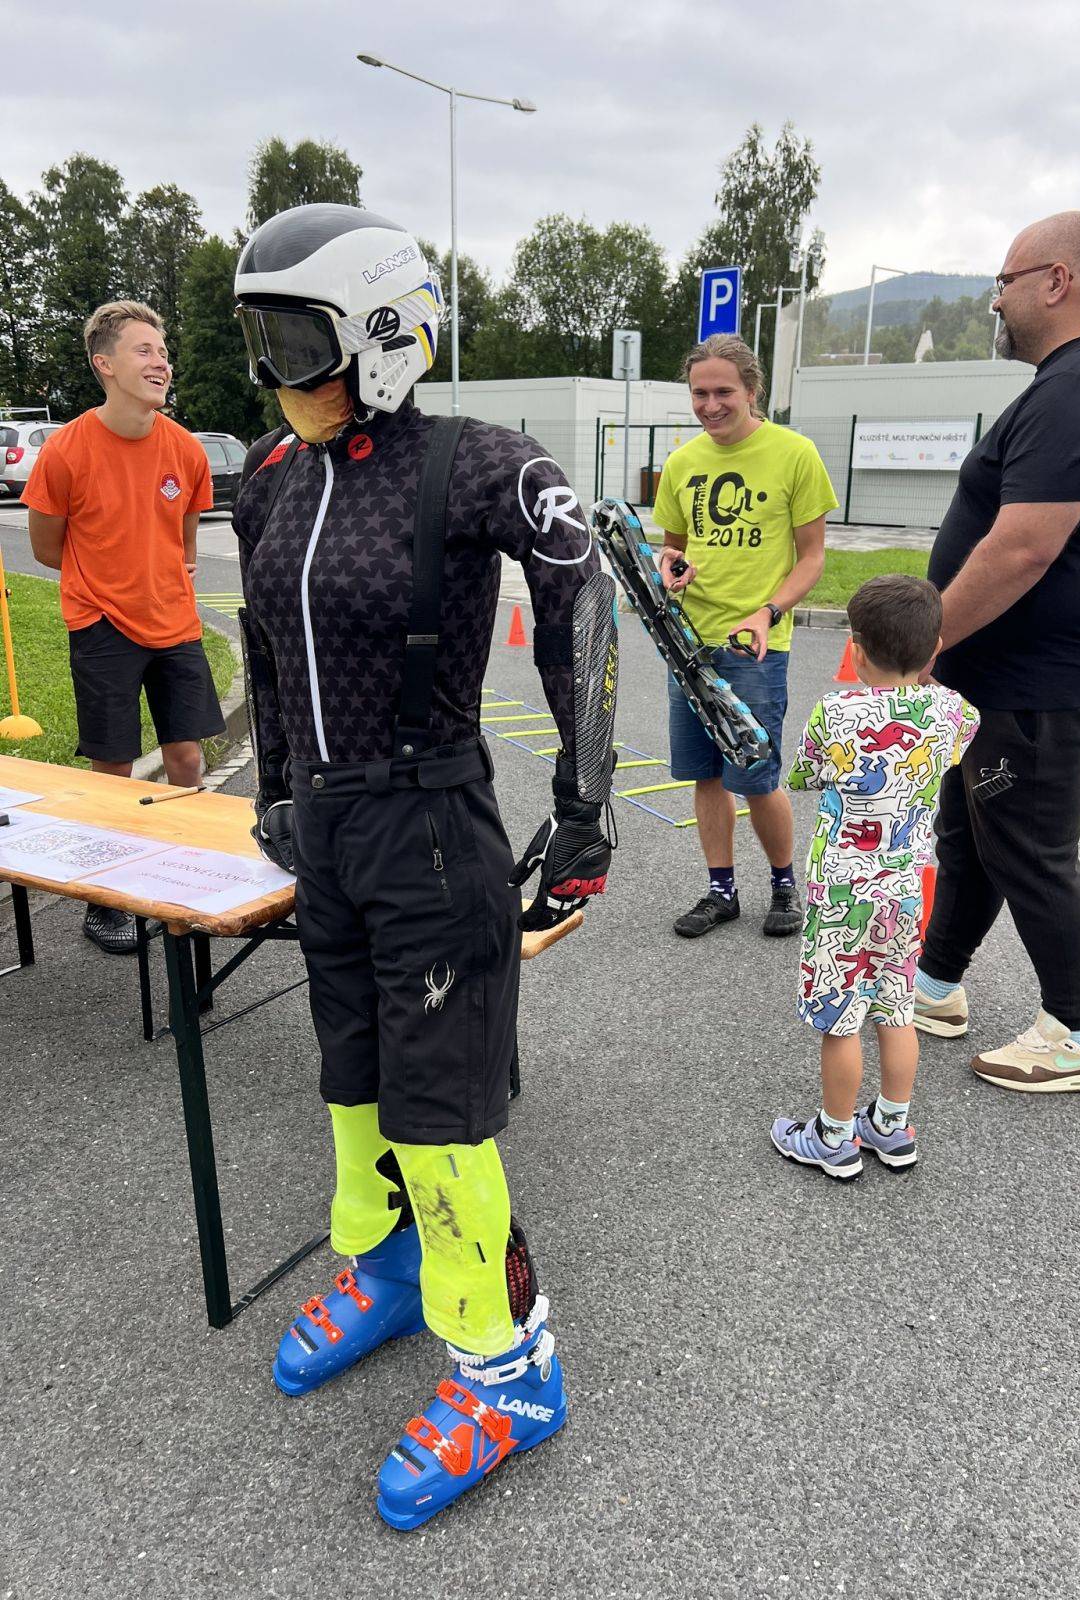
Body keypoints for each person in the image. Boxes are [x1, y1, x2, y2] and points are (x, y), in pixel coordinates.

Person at [231, 204, 617, 1531]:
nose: (275, 374)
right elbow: (265, 641)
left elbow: (584, 598)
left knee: (442, 1120)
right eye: (259, 341)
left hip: (432, 827)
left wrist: (586, 809)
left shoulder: (476, 461)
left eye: (297, 341)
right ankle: (396, 1271)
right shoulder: (271, 476)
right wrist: (275, 789)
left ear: (384, 334)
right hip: (328, 831)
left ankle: (512, 1370)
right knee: (355, 1081)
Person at [916, 212, 1080, 1093]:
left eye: (1005, 282)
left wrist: (927, 639)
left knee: (1028, 849)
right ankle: (935, 987)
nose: (996, 302)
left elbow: (1023, 547)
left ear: (1057, 280)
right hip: (1001, 678)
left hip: (1037, 683)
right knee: (973, 836)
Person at [24, 300, 223, 955]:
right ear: (104, 364)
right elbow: (47, 549)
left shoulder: (186, 450)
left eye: (163, 351)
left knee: (186, 757)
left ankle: (183, 878)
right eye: (144, 350)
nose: (161, 361)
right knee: (111, 767)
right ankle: (105, 901)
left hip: (175, 624)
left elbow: (185, 545)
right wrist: (108, 581)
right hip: (102, 623)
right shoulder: (66, 450)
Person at [771, 576, 978, 1179]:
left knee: (841, 1019)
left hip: (843, 892)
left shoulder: (836, 713)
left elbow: (805, 775)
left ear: (856, 651)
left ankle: (833, 1136)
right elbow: (962, 730)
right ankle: (890, 1126)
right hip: (905, 890)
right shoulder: (951, 710)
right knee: (896, 1009)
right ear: (935, 649)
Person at [651, 334, 836, 939]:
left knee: (755, 776)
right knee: (706, 775)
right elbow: (672, 548)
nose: (710, 405)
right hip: (689, 642)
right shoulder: (682, 463)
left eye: (723, 392)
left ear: (753, 391)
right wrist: (670, 567)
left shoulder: (795, 453)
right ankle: (721, 891)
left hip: (755, 645)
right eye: (699, 393)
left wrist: (768, 612)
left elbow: (812, 558)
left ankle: (784, 885)